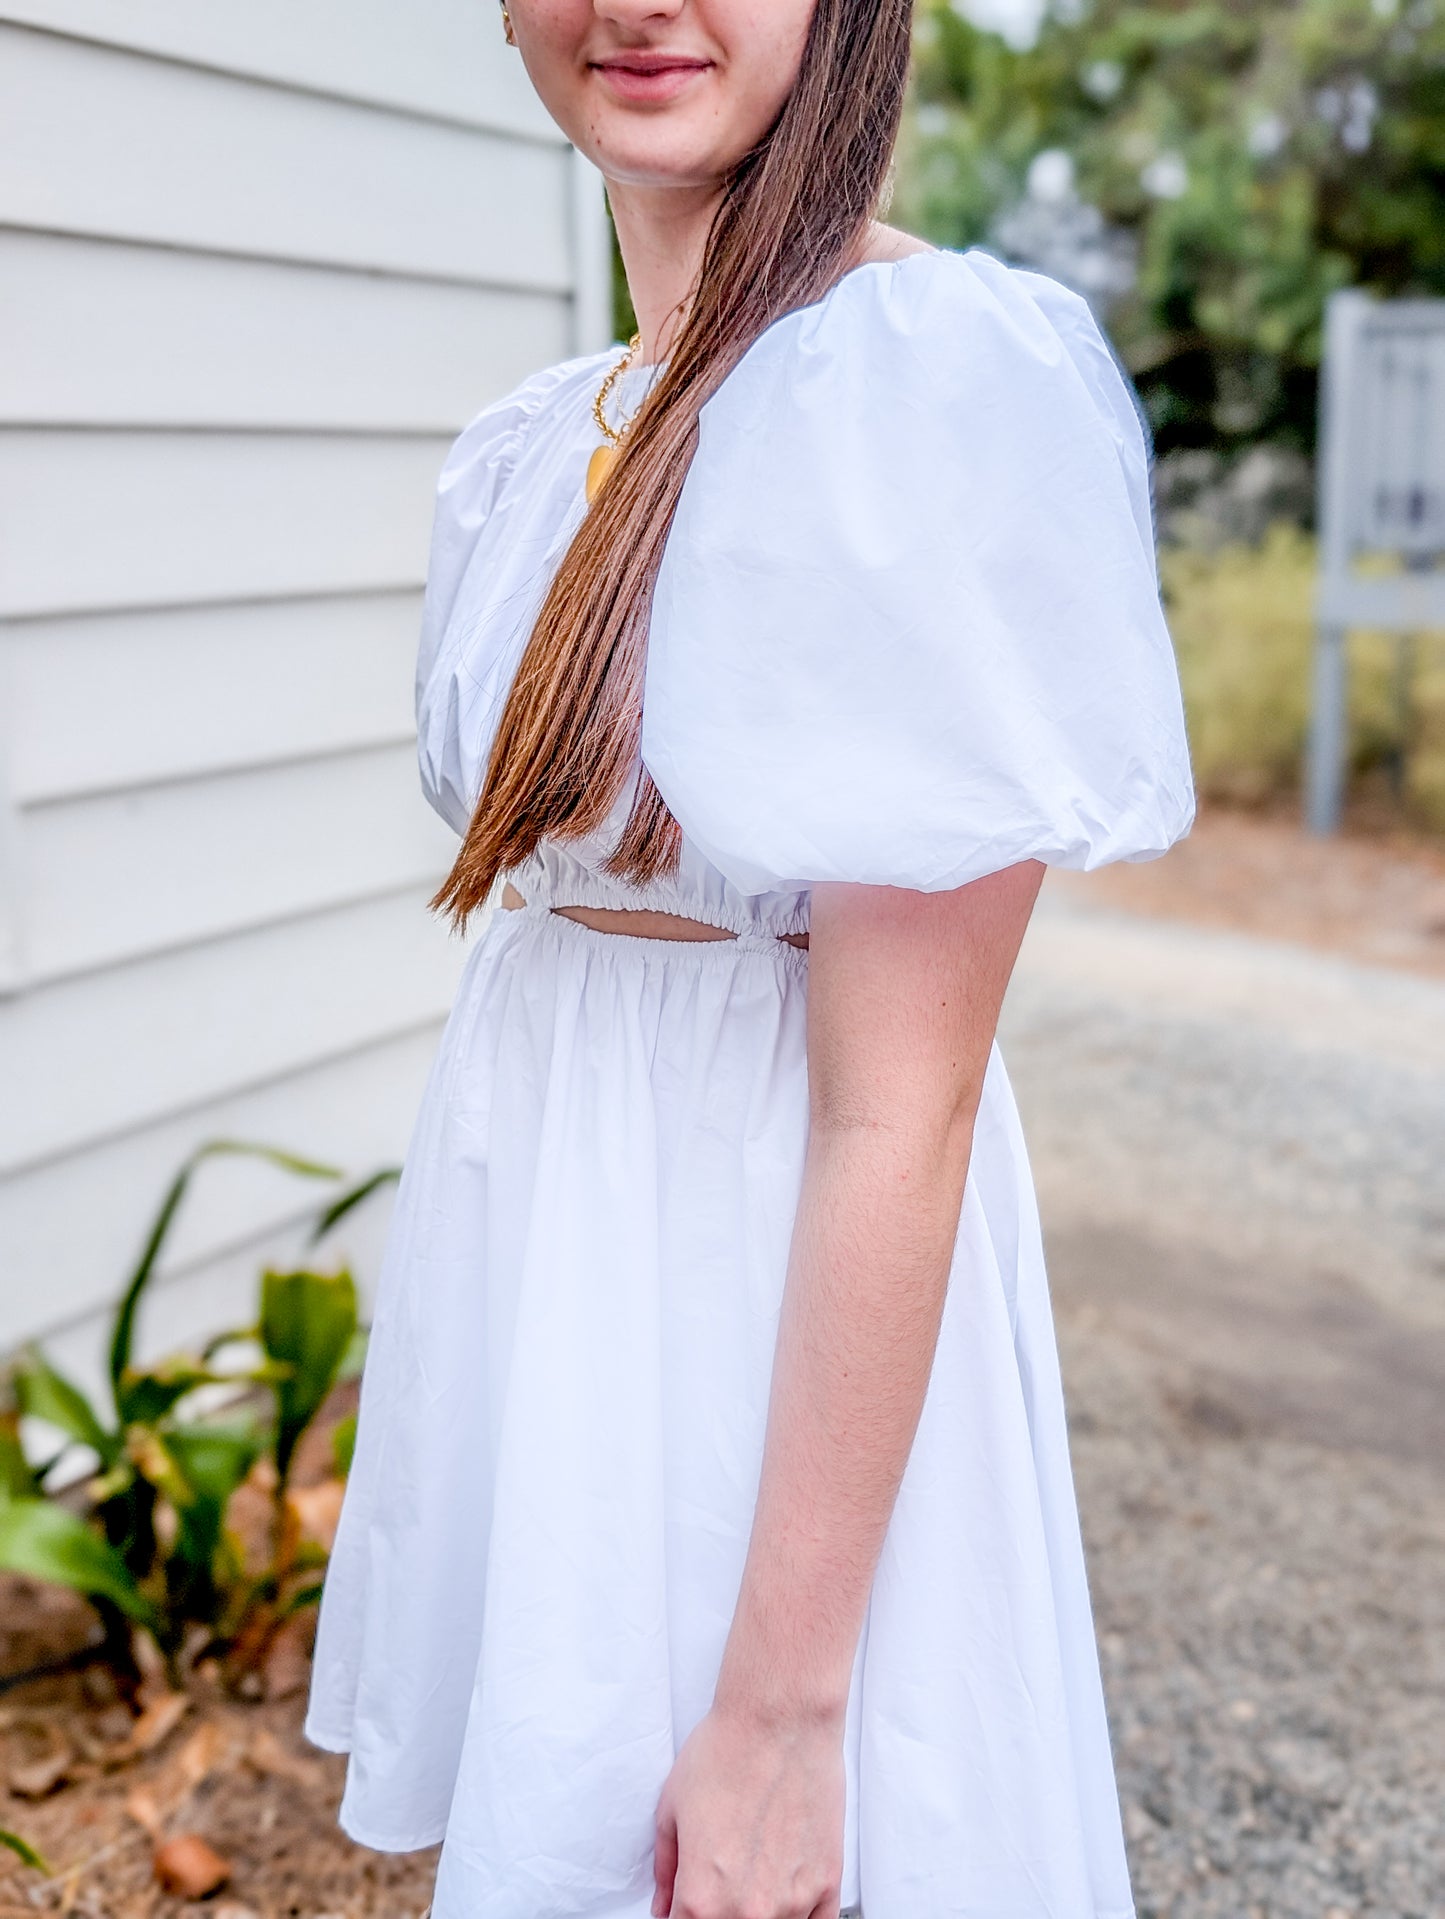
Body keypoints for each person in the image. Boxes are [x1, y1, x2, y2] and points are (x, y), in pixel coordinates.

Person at [305, 2, 1195, 1915]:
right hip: (568, 1267)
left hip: (766, 1285)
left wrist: (785, 1709)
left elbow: (897, 1109)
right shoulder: (537, 438)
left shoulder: (917, 388)